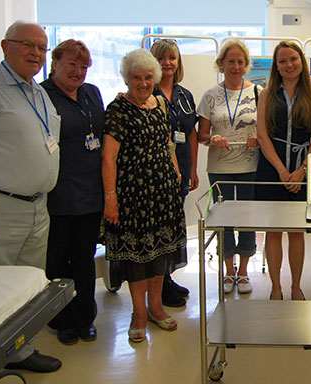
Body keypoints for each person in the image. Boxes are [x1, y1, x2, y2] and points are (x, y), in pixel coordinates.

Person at [0, 21, 62, 372]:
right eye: (28, 45)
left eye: (41, 48)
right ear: (6, 45)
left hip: (37, 206)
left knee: (27, 285)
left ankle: (21, 352)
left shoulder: (35, 91)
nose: (36, 53)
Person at [102, 49, 186, 343]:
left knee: (162, 251)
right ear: (127, 79)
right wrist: (110, 197)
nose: (142, 83)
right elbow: (108, 158)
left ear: (155, 78)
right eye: (136, 77)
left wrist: (175, 172)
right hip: (132, 196)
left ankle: (156, 307)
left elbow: (167, 143)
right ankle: (139, 313)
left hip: (163, 192)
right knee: (137, 257)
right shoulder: (117, 109)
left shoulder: (161, 103)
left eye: (148, 77)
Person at [41, 39, 103, 346]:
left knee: (84, 260)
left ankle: (84, 317)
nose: (77, 71)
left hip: (91, 195)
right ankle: (62, 320)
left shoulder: (92, 93)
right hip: (58, 196)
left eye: (83, 66)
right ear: (55, 63)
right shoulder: (41, 95)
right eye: (71, 64)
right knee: (56, 263)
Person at [256, 41, 311, 300]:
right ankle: (276, 287)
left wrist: (301, 171)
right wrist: (282, 172)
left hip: (302, 170)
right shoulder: (266, 93)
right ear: (276, 66)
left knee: (296, 232)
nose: (288, 65)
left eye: (293, 59)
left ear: (301, 61)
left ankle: (296, 287)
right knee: (273, 232)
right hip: (271, 169)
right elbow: (262, 135)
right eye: (282, 61)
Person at [197, 40, 260, 295]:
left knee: (247, 219)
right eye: (230, 61)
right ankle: (228, 271)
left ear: (246, 65)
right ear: (221, 63)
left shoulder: (258, 92)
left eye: (240, 62)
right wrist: (213, 138)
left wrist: (259, 137)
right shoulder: (210, 95)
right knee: (223, 220)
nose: (235, 66)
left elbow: (267, 129)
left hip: (250, 165)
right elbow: (201, 135)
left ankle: (244, 271)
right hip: (219, 167)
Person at [150, 38, 198, 307]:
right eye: (162, 58)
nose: (167, 63)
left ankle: (166, 277)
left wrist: (191, 170)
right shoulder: (146, 91)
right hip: (156, 172)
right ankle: (159, 285)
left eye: (172, 58)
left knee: (174, 225)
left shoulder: (184, 96)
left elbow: (190, 133)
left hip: (181, 170)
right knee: (160, 227)